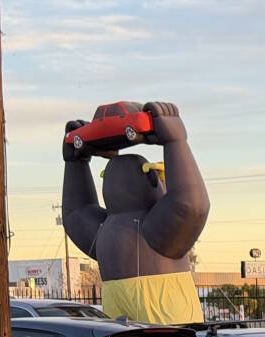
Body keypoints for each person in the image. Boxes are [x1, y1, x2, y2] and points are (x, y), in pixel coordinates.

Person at [61, 101, 209, 325]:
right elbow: (191, 204)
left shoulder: (117, 230)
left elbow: (76, 212)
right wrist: (175, 140)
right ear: (152, 179)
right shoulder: (141, 228)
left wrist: (76, 161)